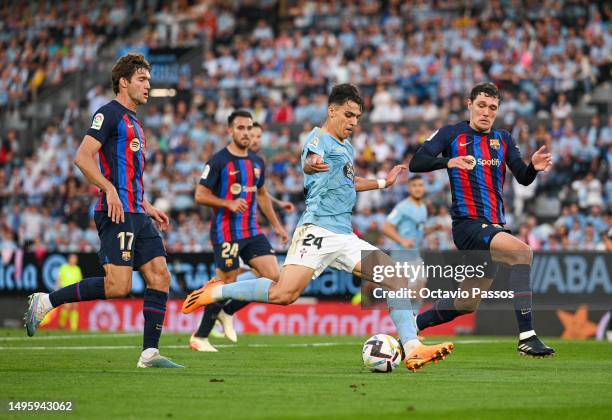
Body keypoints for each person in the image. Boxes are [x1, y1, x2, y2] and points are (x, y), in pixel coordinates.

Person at [183, 84, 454, 372]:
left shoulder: (346, 147)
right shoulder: (318, 138)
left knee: (396, 278)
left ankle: (412, 348)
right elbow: (311, 161)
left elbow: (348, 182)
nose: (353, 122)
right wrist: (313, 164)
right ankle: (220, 290)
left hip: (344, 235)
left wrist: (382, 183)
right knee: (283, 295)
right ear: (332, 111)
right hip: (316, 231)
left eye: (357, 118)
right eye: (348, 115)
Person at [24, 53, 183, 368]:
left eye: (149, 80)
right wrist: (109, 189)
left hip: (137, 211)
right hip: (117, 213)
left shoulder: (135, 121)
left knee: (160, 276)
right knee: (118, 287)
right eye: (142, 80)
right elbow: (83, 157)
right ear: (123, 82)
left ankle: (149, 353)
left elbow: (131, 175)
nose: (148, 86)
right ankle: (46, 301)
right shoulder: (108, 114)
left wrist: (147, 205)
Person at [409, 82, 555, 357]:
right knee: (522, 253)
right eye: (481, 106)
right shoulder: (452, 134)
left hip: (492, 227)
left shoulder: (504, 139)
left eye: (492, 108)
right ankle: (527, 335)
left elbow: (522, 177)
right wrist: (447, 162)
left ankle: (411, 325)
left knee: (466, 302)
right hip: (467, 225)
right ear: (469, 104)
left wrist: (533, 168)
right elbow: (417, 161)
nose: (486, 112)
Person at [188, 110, 289, 352]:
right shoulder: (218, 161)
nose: (245, 133)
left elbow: (262, 195)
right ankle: (199, 337)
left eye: (248, 128)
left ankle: (228, 310)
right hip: (226, 233)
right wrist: (228, 203)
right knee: (226, 282)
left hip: (252, 231)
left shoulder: (256, 162)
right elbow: (200, 195)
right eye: (240, 128)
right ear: (230, 131)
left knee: (273, 277)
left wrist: (277, 226)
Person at [382, 175, 436, 316]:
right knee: (405, 294)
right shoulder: (402, 207)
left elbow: (419, 230)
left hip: (414, 255)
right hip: (401, 255)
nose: (418, 188)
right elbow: (386, 227)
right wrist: (401, 240)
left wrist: (433, 229)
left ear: (424, 188)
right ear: (409, 188)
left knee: (419, 292)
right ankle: (405, 328)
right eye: (414, 185)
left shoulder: (423, 207)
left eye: (420, 185)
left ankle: (413, 327)